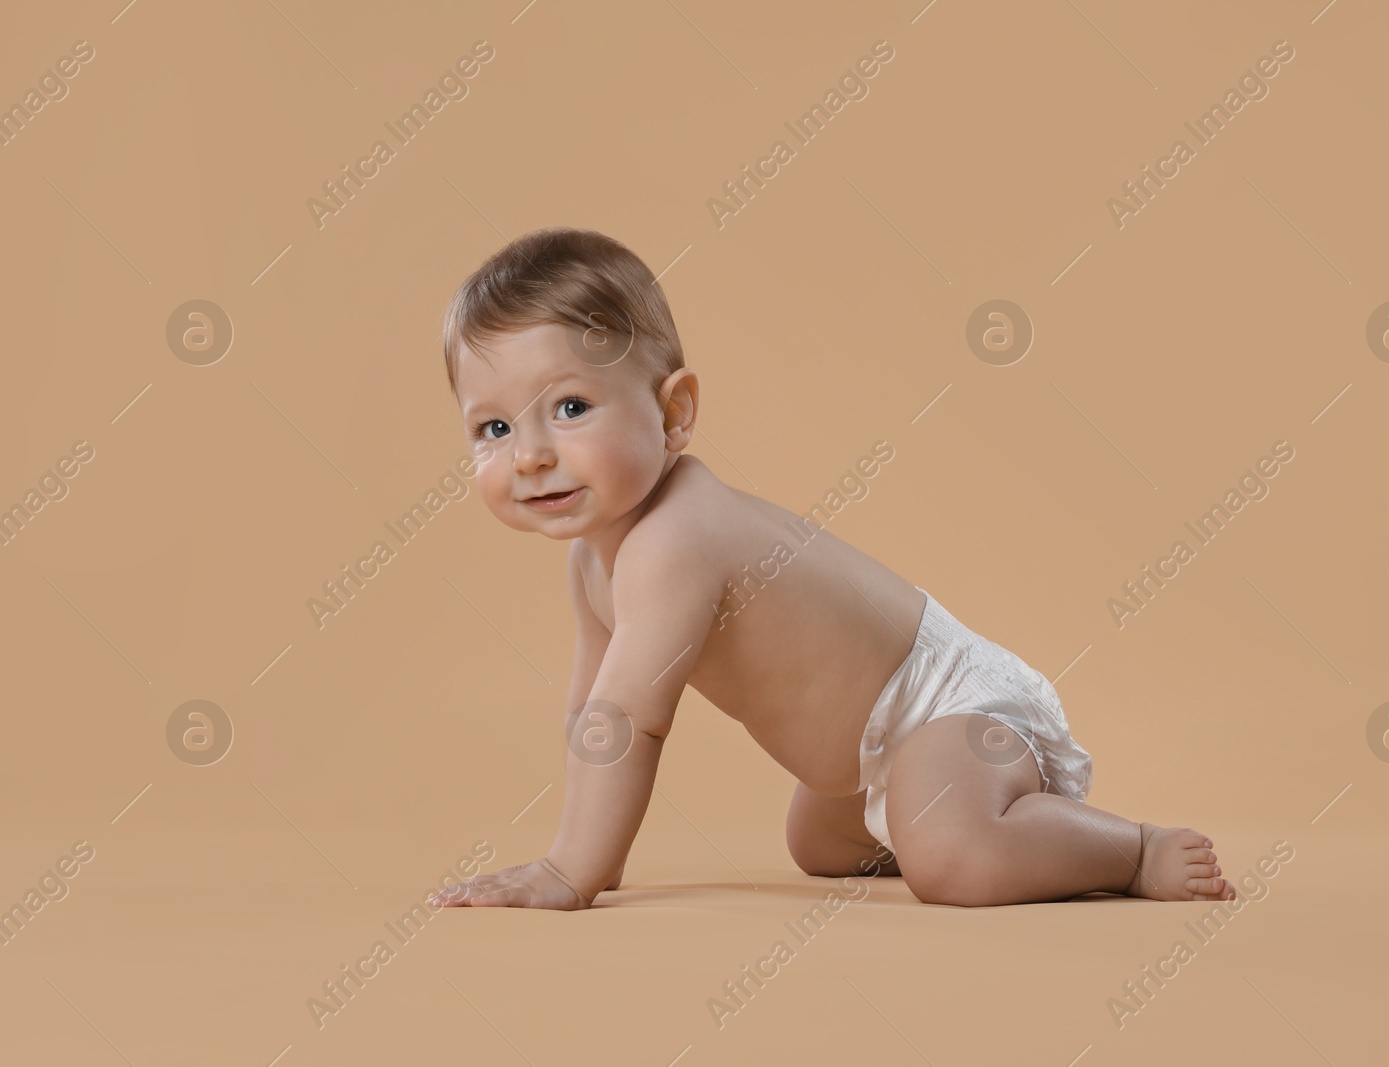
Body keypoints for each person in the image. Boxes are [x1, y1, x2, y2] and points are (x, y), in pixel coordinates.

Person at [428, 227, 1235, 910]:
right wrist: (590, 836)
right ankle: (943, 812)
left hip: (950, 707)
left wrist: (575, 866)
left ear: (674, 412)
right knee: (817, 844)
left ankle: (1132, 851)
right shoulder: (592, 564)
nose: (530, 455)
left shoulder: (678, 538)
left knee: (948, 859)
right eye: (493, 427)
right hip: (869, 756)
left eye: (570, 408)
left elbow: (629, 722)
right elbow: (590, 713)